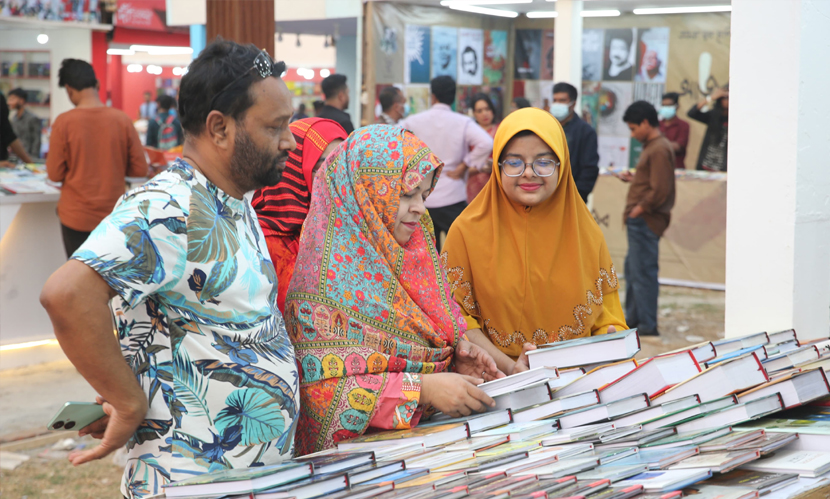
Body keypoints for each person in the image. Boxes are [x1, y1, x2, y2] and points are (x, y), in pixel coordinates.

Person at [39, 41, 300, 498]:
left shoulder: (233, 198)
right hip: (190, 481)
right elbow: (68, 294)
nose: (289, 140)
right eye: (275, 126)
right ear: (219, 127)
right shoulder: (168, 206)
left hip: (243, 477)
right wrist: (125, 399)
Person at [284, 125, 502, 455]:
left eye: (423, 196)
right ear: (365, 194)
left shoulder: (416, 254)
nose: (420, 208)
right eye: (405, 195)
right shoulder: (322, 287)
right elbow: (321, 395)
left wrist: (456, 361)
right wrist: (421, 390)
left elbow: (429, 343)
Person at [443, 108, 627, 376]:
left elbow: (608, 319)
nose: (528, 173)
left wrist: (609, 341)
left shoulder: (586, 234)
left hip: (575, 386)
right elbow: (456, 320)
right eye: (514, 162)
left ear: (562, 167)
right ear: (498, 166)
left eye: (544, 162)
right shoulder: (466, 232)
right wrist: (509, 368)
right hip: (493, 382)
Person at [46, 59, 148, 258]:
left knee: (78, 279)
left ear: (68, 89)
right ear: (98, 84)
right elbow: (140, 170)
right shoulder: (123, 120)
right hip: (113, 218)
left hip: (75, 218)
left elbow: (54, 174)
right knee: (110, 281)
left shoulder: (64, 123)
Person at [252, 117, 348, 313]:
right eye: (325, 167)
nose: (339, 176)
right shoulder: (260, 242)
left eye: (344, 164)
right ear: (294, 170)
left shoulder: (346, 228)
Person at [399, 76, 493, 250]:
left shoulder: (413, 121)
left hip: (421, 197)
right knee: (458, 252)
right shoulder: (463, 122)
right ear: (453, 97)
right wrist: (465, 165)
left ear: (433, 96)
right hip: (453, 193)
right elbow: (486, 143)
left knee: (424, 253)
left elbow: (394, 140)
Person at [618, 101, 676, 337]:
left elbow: (660, 189)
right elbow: (652, 182)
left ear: (645, 123)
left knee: (642, 273)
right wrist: (635, 179)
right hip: (641, 219)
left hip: (645, 220)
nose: (633, 134)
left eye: (633, 129)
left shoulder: (659, 148)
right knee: (633, 271)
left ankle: (647, 324)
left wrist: (639, 209)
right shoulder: (654, 147)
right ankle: (634, 319)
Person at [551, 82, 599, 203]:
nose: (557, 104)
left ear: (573, 104)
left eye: (562, 100)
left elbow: (589, 168)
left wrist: (576, 196)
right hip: (547, 196)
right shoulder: (548, 127)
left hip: (571, 199)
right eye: (555, 100)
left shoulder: (585, 131)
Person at [688, 85, 729, 172]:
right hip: (705, 166)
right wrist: (711, 97)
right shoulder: (713, 116)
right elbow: (692, 113)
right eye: (725, 98)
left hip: (724, 169)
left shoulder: (738, 121)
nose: (727, 101)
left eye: (729, 97)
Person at [467, 93, 499, 202]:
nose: (485, 114)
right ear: (474, 113)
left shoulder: (501, 130)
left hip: (496, 184)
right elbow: (461, 164)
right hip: (473, 185)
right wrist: (480, 168)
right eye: (479, 111)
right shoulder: (469, 133)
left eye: (487, 109)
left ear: (492, 110)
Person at [7, 88, 42, 160]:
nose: (9, 102)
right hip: (15, 158)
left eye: (12, 99)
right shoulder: (14, 119)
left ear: (21, 100)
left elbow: (37, 141)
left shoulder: (32, 118)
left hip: (29, 158)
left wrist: (32, 159)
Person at [658, 92, 690, 169]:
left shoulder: (683, 125)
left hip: (675, 168)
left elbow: (678, 146)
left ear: (677, 106)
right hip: (657, 166)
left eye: (669, 105)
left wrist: (657, 143)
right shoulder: (657, 124)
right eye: (663, 105)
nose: (665, 108)